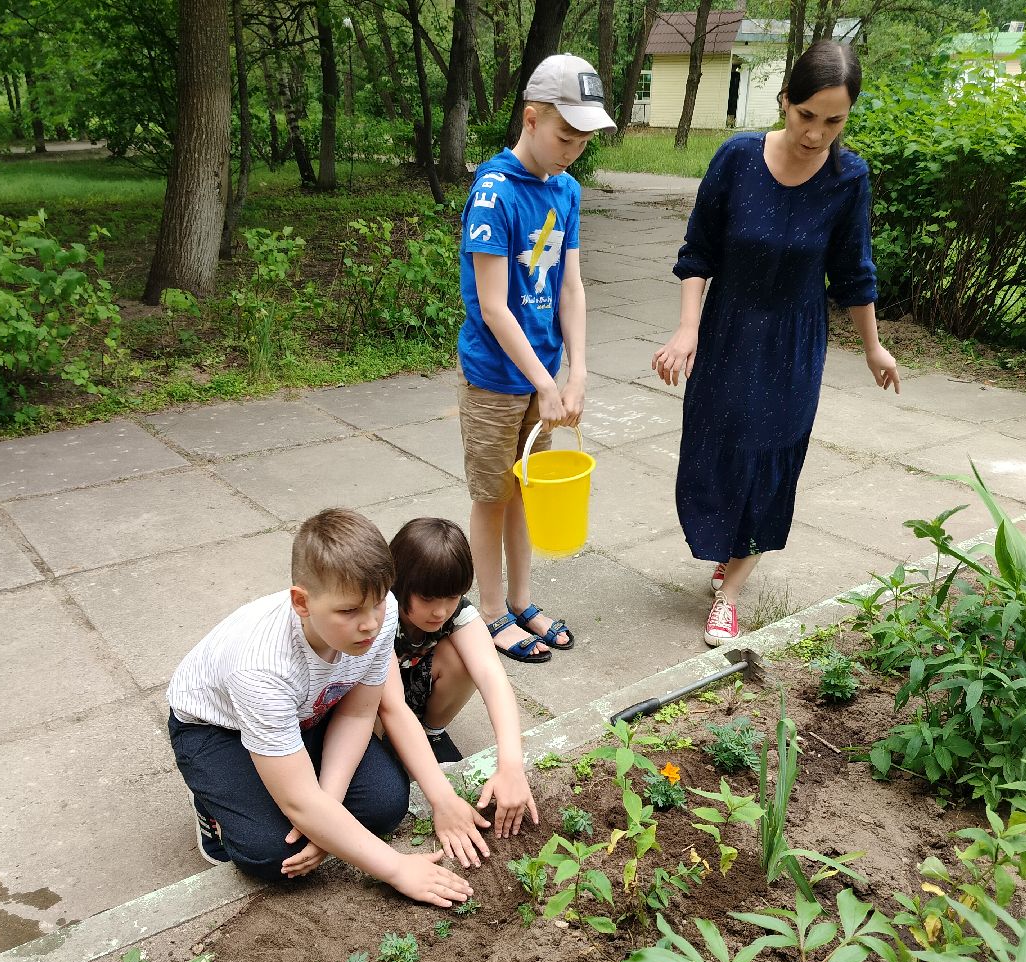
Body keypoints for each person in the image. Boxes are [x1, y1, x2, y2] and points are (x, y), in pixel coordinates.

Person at [651, 41, 900, 646]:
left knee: (771, 462)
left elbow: (853, 272)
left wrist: (873, 346)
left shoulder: (848, 177)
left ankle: (731, 590)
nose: (817, 133)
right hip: (729, 331)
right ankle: (726, 547)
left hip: (794, 343)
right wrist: (688, 328)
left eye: (834, 121)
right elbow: (699, 252)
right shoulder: (737, 158)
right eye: (806, 115)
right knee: (716, 451)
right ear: (785, 100)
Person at [165, 507, 473, 908]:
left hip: (309, 710)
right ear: (302, 602)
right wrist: (397, 869)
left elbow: (359, 712)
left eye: (377, 603)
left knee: (385, 804)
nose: (370, 625)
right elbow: (299, 802)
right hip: (218, 731)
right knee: (275, 855)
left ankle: (296, 783)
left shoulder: (382, 613)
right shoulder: (261, 666)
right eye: (349, 611)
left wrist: (322, 812)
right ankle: (211, 805)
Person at [457, 53, 616, 664]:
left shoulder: (566, 190)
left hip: (543, 375)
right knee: (493, 494)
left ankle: (523, 601)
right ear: (530, 118)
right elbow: (495, 307)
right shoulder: (494, 191)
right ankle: (490, 611)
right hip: (498, 378)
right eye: (565, 135)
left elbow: (572, 286)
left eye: (583, 140)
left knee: (527, 489)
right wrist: (541, 381)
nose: (573, 149)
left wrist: (575, 372)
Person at [376, 517, 540, 855]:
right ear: (399, 582)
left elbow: (492, 677)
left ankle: (430, 736)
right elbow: (389, 704)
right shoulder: (380, 615)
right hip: (375, 700)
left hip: (416, 690)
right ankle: (385, 751)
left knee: (468, 658)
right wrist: (443, 800)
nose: (440, 611)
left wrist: (511, 765)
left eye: (451, 597)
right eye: (427, 599)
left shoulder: (456, 613)